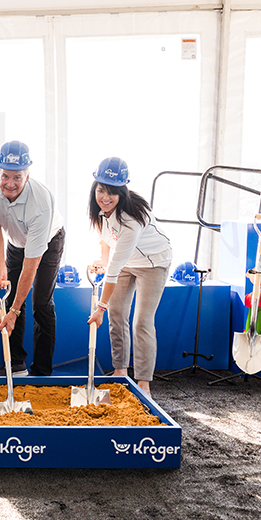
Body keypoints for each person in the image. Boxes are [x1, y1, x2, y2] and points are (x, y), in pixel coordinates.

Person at [86, 157, 172, 397]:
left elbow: (113, 271)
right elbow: (105, 237)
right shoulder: (100, 210)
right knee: (117, 315)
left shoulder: (132, 219)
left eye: (112, 192)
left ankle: (144, 383)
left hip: (153, 262)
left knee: (142, 322)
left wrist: (100, 308)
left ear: (122, 192)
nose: (105, 197)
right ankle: (120, 371)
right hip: (125, 261)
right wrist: (103, 260)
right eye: (101, 189)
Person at [0, 140, 65, 377]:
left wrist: (15, 312)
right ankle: (16, 365)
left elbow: (32, 262)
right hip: (15, 242)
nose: (10, 183)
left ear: (27, 177)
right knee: (9, 300)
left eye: (17, 177)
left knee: (41, 304)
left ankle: (41, 372)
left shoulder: (41, 203)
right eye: (5, 176)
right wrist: (0, 268)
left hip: (47, 244)